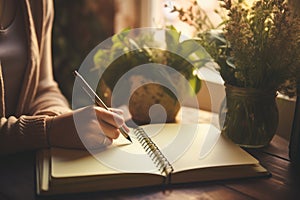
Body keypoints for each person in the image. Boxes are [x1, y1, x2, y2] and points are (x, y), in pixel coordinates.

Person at [0, 0, 129, 155]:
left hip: (24, 159)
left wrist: (62, 117)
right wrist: (50, 130)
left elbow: (43, 88)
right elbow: (51, 130)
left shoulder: (38, 4)